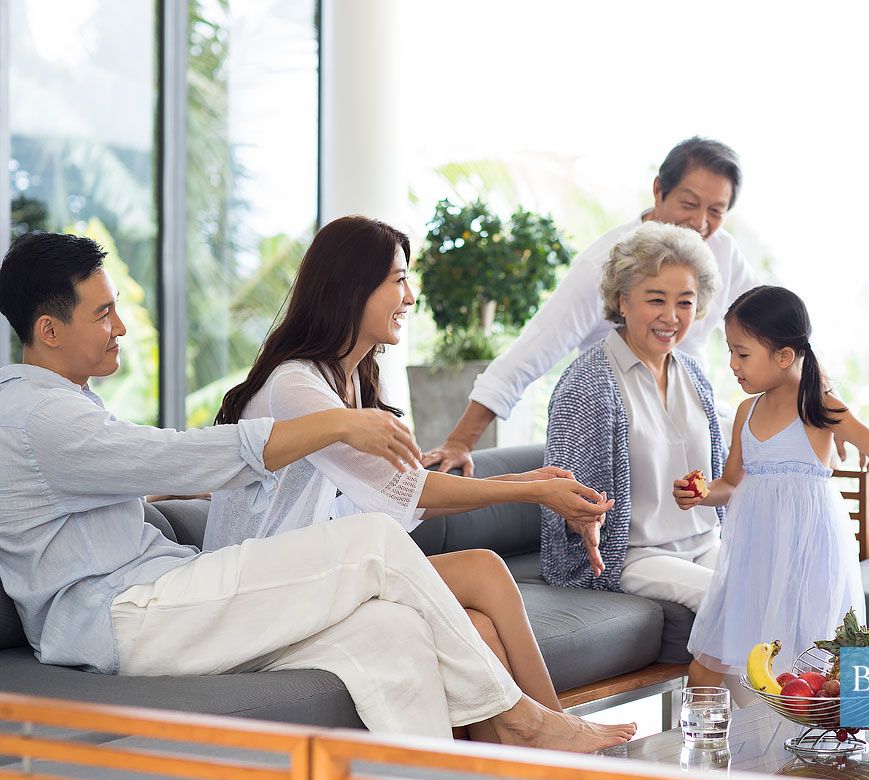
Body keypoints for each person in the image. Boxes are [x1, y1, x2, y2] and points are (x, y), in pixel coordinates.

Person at [0, 231, 633, 750]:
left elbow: (153, 472)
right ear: (49, 331)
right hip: (122, 618)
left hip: (162, 594)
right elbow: (174, 457)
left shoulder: (67, 408)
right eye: (102, 313)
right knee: (375, 544)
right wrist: (335, 422)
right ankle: (526, 722)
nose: (120, 327)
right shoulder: (36, 419)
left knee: (392, 632)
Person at [207, 215, 612, 712]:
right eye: (399, 279)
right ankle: (557, 738)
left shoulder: (349, 383)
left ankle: (528, 762)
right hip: (265, 595)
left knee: (481, 628)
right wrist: (530, 491)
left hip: (315, 579)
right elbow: (411, 491)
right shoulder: (297, 387)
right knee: (484, 570)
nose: (411, 297)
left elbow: (401, 489)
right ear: (352, 288)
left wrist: (526, 480)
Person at [678, 286, 869, 687]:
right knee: (709, 662)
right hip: (752, 559)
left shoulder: (818, 404)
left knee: (806, 664)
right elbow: (731, 483)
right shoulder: (747, 411)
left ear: (783, 356)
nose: (732, 364)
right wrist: (702, 494)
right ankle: (701, 742)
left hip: (808, 556)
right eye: (729, 351)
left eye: (742, 353)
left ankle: (812, 744)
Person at [423, 136, 758, 476]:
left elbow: (770, 322)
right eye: (689, 204)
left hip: (692, 416)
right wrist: (459, 442)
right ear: (659, 190)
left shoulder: (722, 251)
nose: (700, 222)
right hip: (624, 421)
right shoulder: (605, 263)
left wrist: (810, 386)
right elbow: (531, 352)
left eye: (716, 211)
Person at [541, 222, 725, 609]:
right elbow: (562, 495)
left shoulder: (693, 375)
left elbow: (719, 478)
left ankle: (844, 672)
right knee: (728, 597)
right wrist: (581, 517)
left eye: (685, 302)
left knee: (780, 584)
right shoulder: (586, 385)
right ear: (622, 301)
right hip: (632, 556)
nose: (672, 317)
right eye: (656, 299)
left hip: (707, 542)